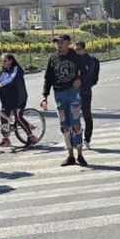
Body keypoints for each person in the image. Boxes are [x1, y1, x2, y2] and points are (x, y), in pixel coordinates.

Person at [40, 34, 88, 167]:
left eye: (61, 42)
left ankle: (80, 154)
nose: (59, 45)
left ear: (68, 43)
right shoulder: (53, 58)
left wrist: (80, 79)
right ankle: (70, 155)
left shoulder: (75, 57)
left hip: (73, 93)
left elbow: (86, 72)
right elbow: (48, 78)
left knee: (75, 123)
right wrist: (44, 95)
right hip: (59, 94)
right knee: (64, 125)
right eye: (57, 42)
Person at [0, 52, 33, 147]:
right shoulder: (2, 71)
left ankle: (31, 136)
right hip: (6, 99)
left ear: (11, 61)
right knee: (3, 117)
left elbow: (11, 79)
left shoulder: (16, 69)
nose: (3, 62)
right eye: (2, 61)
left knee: (18, 117)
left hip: (18, 98)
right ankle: (6, 139)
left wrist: (1, 84)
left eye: (5, 61)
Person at [74, 40, 100, 149]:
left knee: (86, 115)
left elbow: (93, 77)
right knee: (73, 116)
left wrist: (86, 85)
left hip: (85, 91)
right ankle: (77, 137)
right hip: (73, 92)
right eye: (75, 50)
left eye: (78, 49)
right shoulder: (73, 61)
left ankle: (87, 138)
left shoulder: (91, 61)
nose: (76, 52)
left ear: (85, 50)